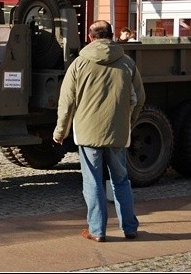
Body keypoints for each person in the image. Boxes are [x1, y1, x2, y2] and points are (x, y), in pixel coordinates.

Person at [53, 20, 145, 243]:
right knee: (121, 180)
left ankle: (97, 230)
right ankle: (130, 228)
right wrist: (128, 123)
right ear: (112, 36)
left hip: (87, 132)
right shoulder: (127, 63)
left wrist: (60, 131)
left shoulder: (79, 64)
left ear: (90, 36)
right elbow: (139, 98)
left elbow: (67, 102)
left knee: (92, 181)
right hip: (117, 131)